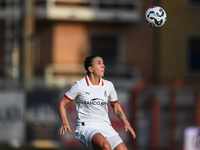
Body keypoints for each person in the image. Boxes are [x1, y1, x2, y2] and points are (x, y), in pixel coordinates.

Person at [58, 55, 136, 150]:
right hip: (86, 127)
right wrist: (65, 122)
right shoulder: (79, 85)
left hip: (105, 126)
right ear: (90, 68)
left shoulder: (108, 85)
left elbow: (115, 106)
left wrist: (126, 122)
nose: (103, 66)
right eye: (99, 63)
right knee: (105, 146)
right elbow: (62, 103)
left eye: (103, 63)